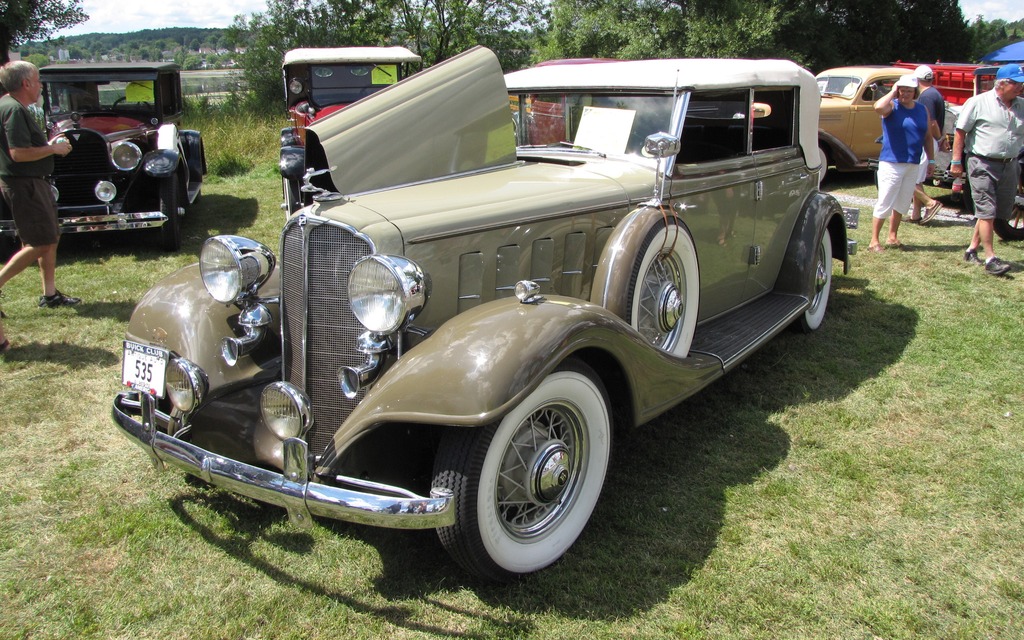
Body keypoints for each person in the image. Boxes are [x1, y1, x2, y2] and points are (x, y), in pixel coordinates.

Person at [0, 61, 80, 309]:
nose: (40, 86)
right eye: (37, 81)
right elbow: (18, 153)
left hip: (31, 183)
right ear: (25, 83)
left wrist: (48, 145)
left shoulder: (10, 104)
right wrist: (53, 148)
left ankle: (50, 294)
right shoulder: (13, 109)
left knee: (49, 237)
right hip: (25, 185)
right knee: (39, 243)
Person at [950, 63, 1024, 277]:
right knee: (987, 210)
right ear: (1002, 84)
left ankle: (972, 249)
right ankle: (991, 258)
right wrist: (956, 161)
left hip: (1010, 164)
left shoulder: (1021, 105)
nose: (1020, 88)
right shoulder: (978, 102)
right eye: (1017, 84)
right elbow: (960, 132)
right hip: (982, 163)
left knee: (995, 212)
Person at [868, 75, 934, 252]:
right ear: (898, 90)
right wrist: (892, 91)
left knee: (903, 202)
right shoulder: (892, 107)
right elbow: (878, 107)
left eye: (909, 90)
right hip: (892, 162)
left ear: (915, 92)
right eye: (902, 90)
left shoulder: (922, 110)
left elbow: (927, 137)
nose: (905, 93)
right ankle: (874, 241)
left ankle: (892, 236)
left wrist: (932, 160)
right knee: (886, 200)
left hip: (913, 162)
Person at [908, 65, 947, 224]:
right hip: (930, 141)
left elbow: (931, 122)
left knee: (910, 178)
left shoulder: (926, 97)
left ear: (917, 80)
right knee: (918, 178)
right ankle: (915, 214)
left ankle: (930, 203)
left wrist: (938, 138)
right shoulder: (934, 93)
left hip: (927, 142)